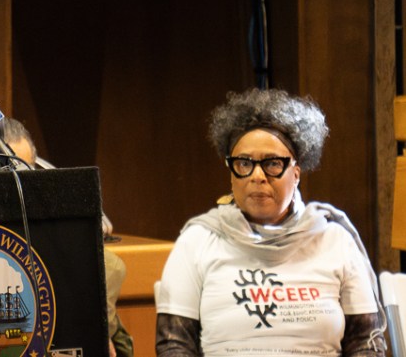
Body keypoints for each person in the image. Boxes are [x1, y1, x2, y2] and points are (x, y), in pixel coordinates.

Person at [155, 88, 386, 356]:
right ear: (231, 173)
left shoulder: (334, 240)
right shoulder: (197, 241)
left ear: (296, 173)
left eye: (272, 163)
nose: (257, 176)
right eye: (244, 164)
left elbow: (365, 343)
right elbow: (174, 345)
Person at [0, 117, 135, 357]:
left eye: (27, 172)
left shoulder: (46, 187)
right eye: (8, 173)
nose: (20, 185)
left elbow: (102, 225)